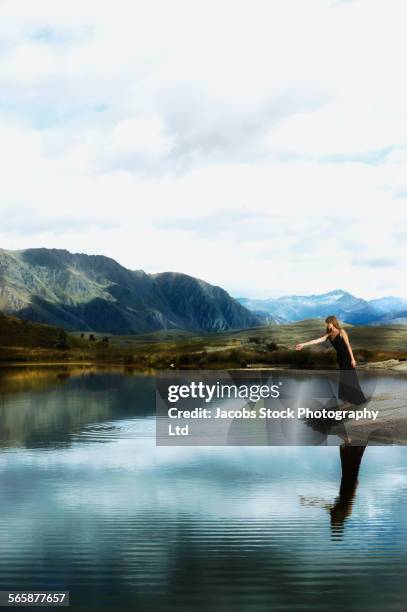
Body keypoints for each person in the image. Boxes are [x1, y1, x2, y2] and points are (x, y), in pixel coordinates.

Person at [295, 315, 367, 408]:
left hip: (347, 357)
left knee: (350, 378)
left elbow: (348, 346)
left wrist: (353, 359)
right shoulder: (329, 335)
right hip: (340, 357)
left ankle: (354, 400)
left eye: (328, 323)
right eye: (327, 323)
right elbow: (317, 340)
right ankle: (347, 401)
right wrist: (303, 344)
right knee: (344, 378)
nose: (327, 325)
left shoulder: (341, 332)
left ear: (332, 323)